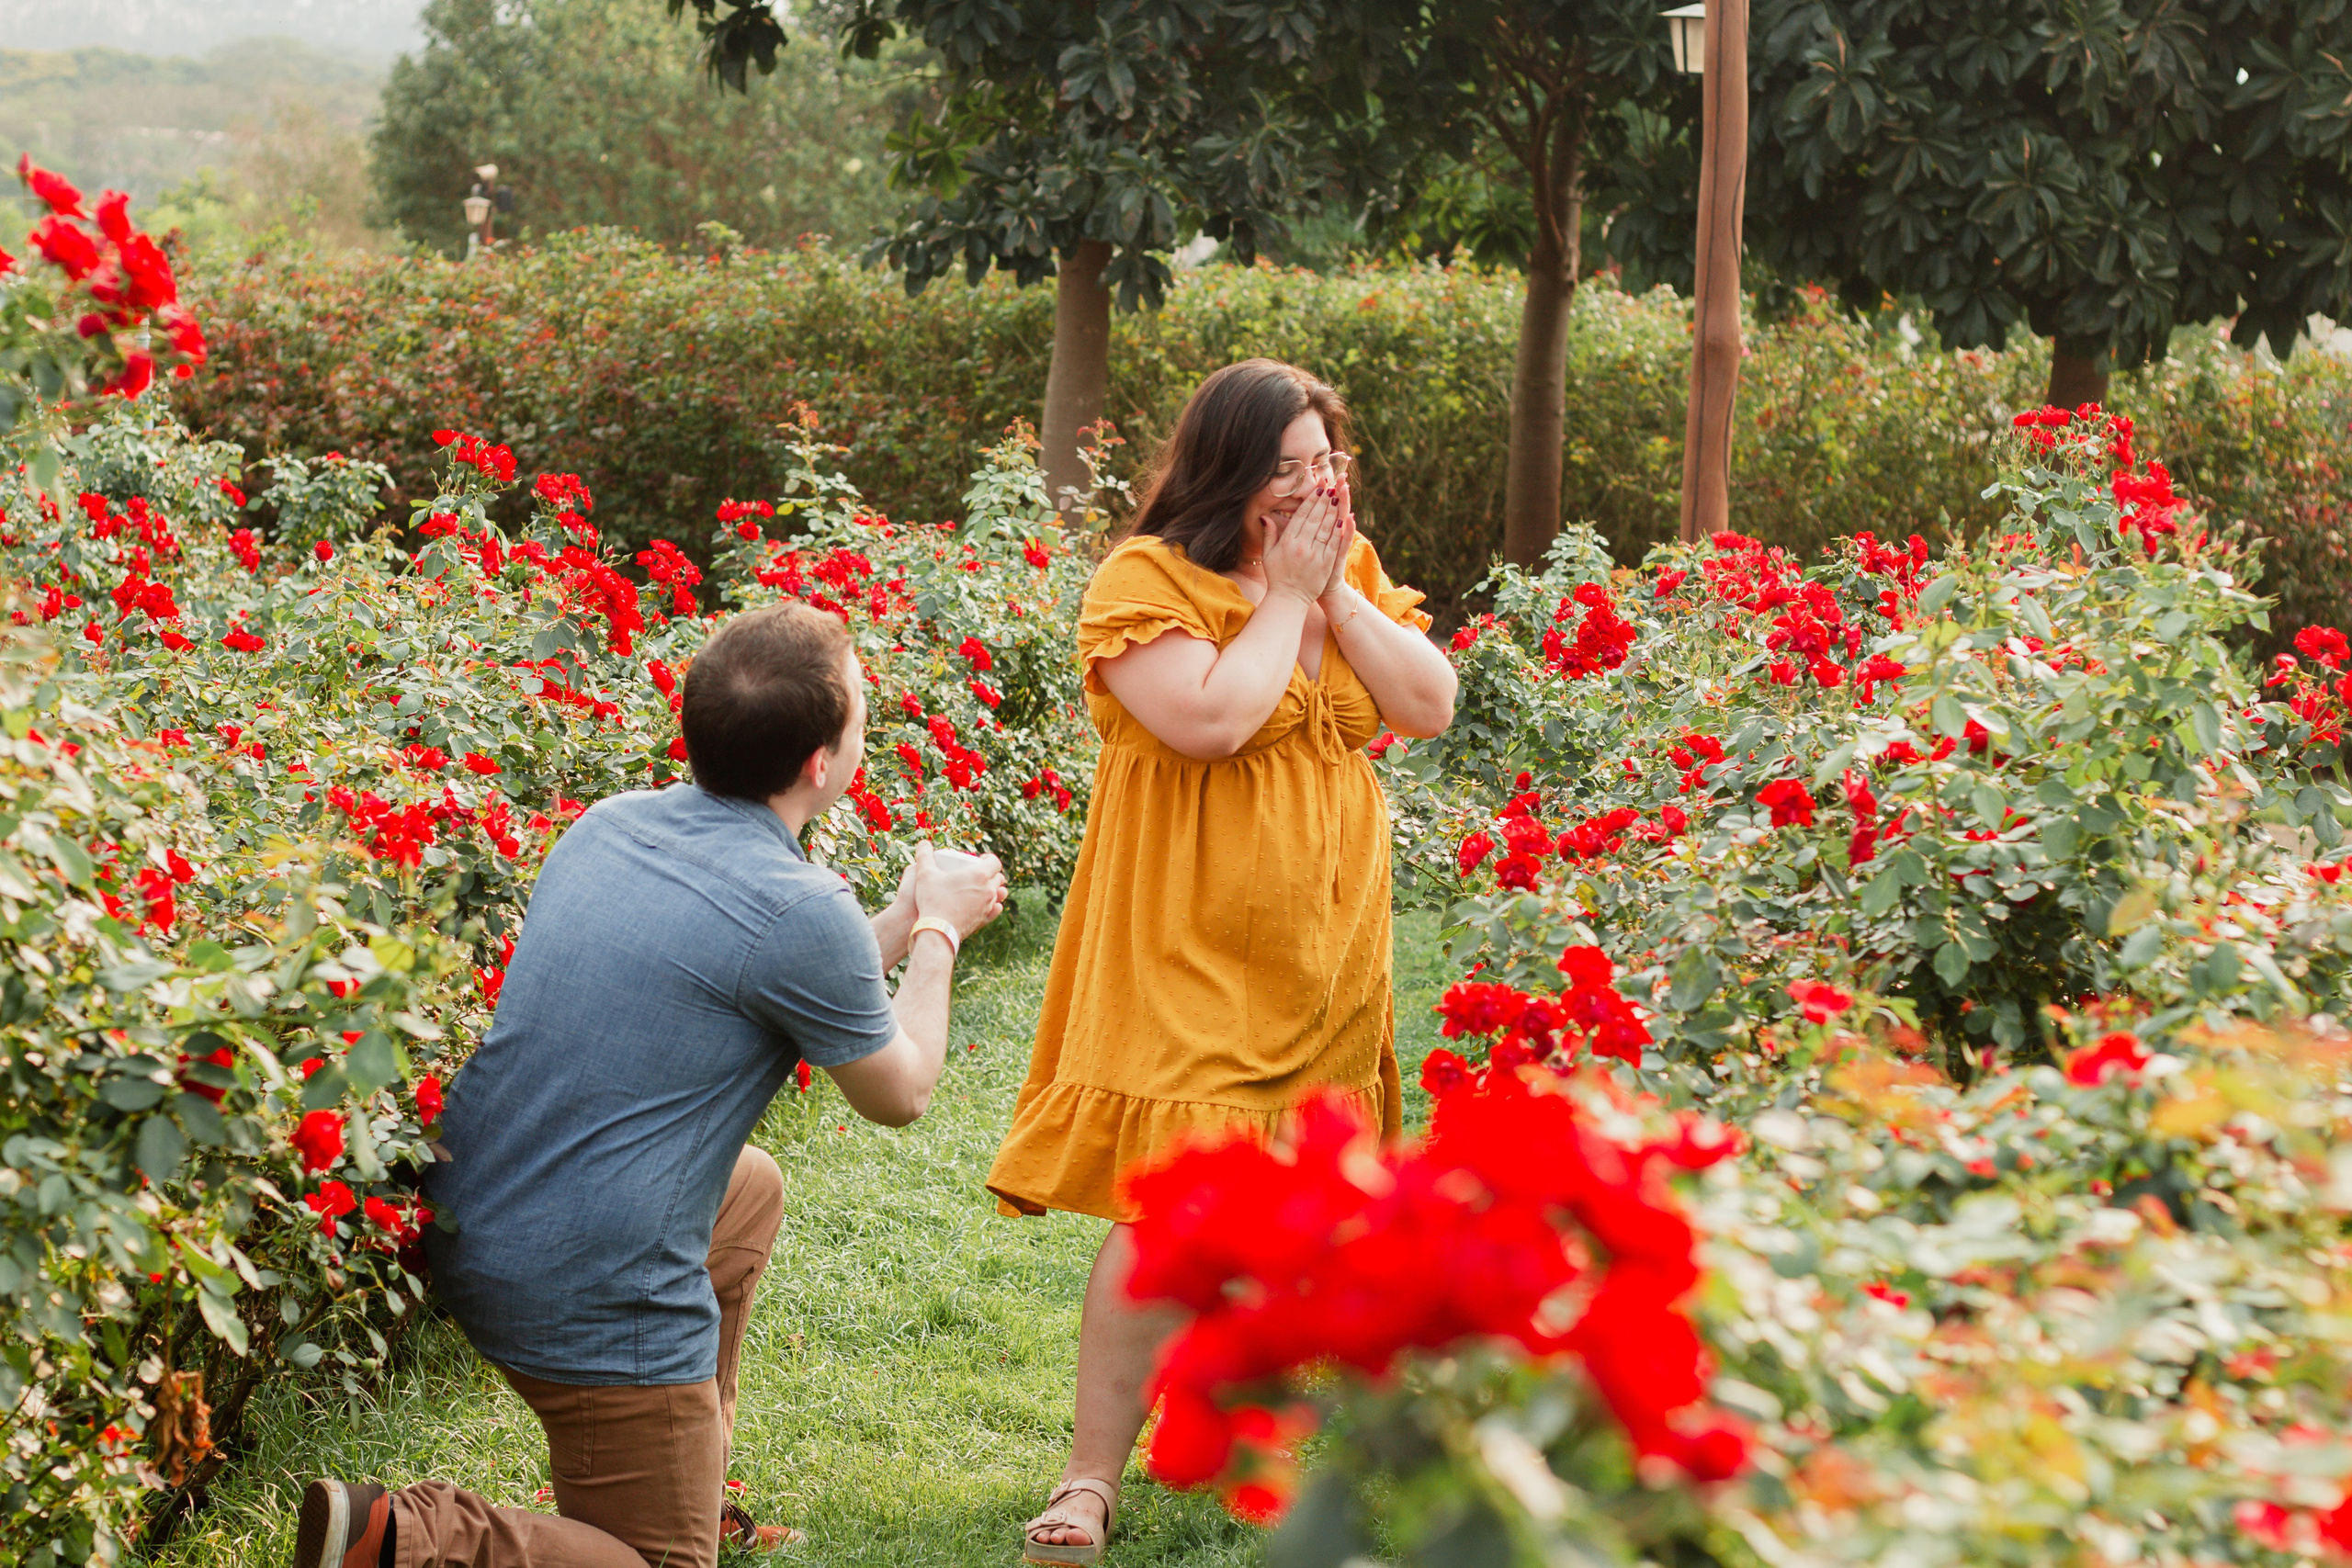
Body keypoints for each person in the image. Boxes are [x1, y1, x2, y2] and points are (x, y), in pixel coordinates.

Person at [292, 601, 1008, 1568]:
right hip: (587, 1278)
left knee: (747, 1190)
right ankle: (403, 1538)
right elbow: (901, 1090)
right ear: (821, 765)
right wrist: (937, 933)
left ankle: (685, 1484)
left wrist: (897, 916)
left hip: (477, 1210)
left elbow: (777, 977)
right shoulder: (799, 909)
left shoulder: (614, 825)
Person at [987, 359, 1459, 1563]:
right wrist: (1289, 599)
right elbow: (1212, 717)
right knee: (1169, 1204)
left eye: (1324, 463)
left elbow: (1428, 702)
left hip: (1325, 948)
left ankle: (1263, 1442)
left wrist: (1336, 596)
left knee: (1306, 1208)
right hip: (1182, 942)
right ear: (1228, 472)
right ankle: (1091, 1475)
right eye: (1287, 469)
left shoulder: (1336, 570)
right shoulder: (1144, 579)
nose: (1312, 487)